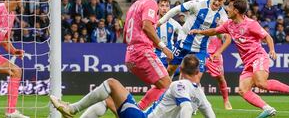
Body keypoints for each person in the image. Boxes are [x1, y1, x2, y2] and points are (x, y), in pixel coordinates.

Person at [189, 0, 289, 118]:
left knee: (261, 83)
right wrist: (199, 31)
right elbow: (214, 31)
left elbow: (267, 37)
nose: (227, 9)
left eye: (229, 7)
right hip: (247, 62)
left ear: (236, 11)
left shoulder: (251, 24)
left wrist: (272, 50)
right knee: (243, 90)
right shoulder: (229, 24)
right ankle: (268, 108)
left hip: (258, 57)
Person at [50, 55, 216, 118]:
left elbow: (186, 107)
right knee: (109, 100)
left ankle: (71, 109)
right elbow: (210, 114)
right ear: (198, 72)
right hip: (141, 115)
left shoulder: (178, 84)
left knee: (111, 84)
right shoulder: (199, 94)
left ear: (180, 69)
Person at [158, 0, 229, 84]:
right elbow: (176, 9)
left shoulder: (223, 17)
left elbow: (224, 37)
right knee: (170, 70)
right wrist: (159, 22)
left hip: (201, 49)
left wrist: (219, 33)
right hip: (183, 43)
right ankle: (162, 96)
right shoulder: (198, 4)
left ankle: (185, 96)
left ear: (224, 0)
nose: (216, 2)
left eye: (220, 0)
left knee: (195, 80)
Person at [123, 0, 173, 110]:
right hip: (142, 52)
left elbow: (125, 33)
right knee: (167, 85)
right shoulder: (150, 3)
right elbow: (147, 26)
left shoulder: (134, 5)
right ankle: (142, 112)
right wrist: (163, 47)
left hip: (130, 54)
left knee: (161, 85)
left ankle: (138, 110)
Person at [205, 34, 232, 110]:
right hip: (202, 53)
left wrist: (217, 30)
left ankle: (226, 100)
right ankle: (195, 102)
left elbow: (224, 37)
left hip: (215, 55)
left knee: (220, 78)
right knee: (195, 76)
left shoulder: (221, 23)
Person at [155, 0, 182, 68]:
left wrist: (177, 49)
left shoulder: (174, 23)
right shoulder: (152, 22)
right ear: (158, 7)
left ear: (170, 8)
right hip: (156, 57)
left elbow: (183, 36)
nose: (164, 8)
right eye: (162, 6)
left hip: (170, 57)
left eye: (167, 6)